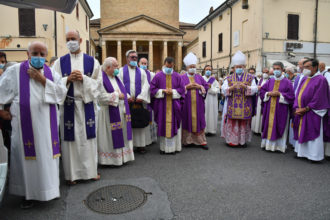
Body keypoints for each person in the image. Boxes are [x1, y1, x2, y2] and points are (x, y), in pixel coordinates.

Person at [0, 41, 67, 208]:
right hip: (24, 126)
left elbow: (61, 95)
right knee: (25, 159)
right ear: (27, 54)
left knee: (46, 156)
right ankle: (27, 195)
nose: (38, 57)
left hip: (46, 126)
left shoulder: (51, 73)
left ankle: (48, 190)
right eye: (35, 53)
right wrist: (1, 110)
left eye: (42, 54)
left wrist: (43, 80)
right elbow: (1, 90)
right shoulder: (14, 71)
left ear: (45, 56)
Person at [53, 30, 101, 185]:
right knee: (70, 142)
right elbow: (53, 83)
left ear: (80, 41)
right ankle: (71, 175)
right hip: (68, 105)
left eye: (73, 39)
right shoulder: (59, 62)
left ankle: (91, 172)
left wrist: (84, 79)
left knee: (88, 140)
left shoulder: (92, 61)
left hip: (86, 104)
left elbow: (98, 84)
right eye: (67, 39)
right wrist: (67, 79)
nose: (70, 42)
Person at [97, 57, 134, 165]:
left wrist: (127, 96)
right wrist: (118, 96)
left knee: (122, 134)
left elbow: (122, 91)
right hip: (109, 113)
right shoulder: (101, 79)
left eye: (118, 65)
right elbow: (100, 97)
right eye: (115, 66)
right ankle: (111, 159)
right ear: (108, 67)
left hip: (121, 112)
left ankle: (123, 157)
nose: (118, 68)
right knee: (109, 137)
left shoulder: (117, 78)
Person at [293, 59, 330, 162]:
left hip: (313, 111)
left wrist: (306, 108)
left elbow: (319, 97)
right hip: (301, 110)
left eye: (307, 67)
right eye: (304, 67)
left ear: (315, 67)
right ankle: (302, 153)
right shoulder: (305, 78)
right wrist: (297, 107)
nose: (304, 69)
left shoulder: (321, 80)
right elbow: (298, 94)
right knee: (302, 130)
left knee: (313, 132)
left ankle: (314, 156)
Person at [221, 51, 258, 147]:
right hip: (232, 105)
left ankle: (242, 141)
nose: (239, 68)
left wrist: (246, 87)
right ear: (234, 68)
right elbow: (223, 90)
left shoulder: (250, 78)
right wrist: (231, 88)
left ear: (244, 67)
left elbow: (255, 89)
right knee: (232, 122)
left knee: (243, 123)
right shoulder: (228, 78)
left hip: (245, 104)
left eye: (240, 67)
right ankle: (231, 140)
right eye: (237, 67)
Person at [150, 57, 185, 154]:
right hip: (162, 106)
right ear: (164, 64)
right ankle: (163, 148)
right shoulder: (158, 76)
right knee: (162, 124)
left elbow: (182, 90)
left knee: (173, 124)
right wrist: (163, 91)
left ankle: (174, 148)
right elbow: (152, 89)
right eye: (167, 65)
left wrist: (173, 92)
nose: (169, 67)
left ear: (173, 65)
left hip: (174, 106)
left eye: (171, 66)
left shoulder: (178, 76)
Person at [119, 50, 150, 154]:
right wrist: (127, 96)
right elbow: (120, 85)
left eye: (136, 57)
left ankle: (140, 145)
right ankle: (129, 146)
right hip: (127, 101)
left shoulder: (141, 71)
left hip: (138, 101)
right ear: (127, 58)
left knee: (139, 123)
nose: (134, 59)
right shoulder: (121, 71)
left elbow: (146, 85)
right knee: (128, 123)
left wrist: (141, 96)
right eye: (132, 57)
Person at [260, 62, 295, 152]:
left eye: (278, 69)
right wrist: (268, 93)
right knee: (269, 125)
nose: (276, 71)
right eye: (274, 69)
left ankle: (279, 147)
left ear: (282, 70)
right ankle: (268, 145)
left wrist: (280, 94)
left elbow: (291, 96)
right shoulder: (270, 81)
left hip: (281, 109)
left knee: (280, 125)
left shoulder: (287, 82)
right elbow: (262, 91)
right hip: (269, 108)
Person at [181, 52, 209, 150]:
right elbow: (179, 89)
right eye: (190, 66)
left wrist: (199, 86)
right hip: (187, 104)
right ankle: (187, 141)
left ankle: (200, 141)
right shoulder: (182, 77)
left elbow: (206, 87)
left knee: (199, 120)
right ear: (187, 68)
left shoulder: (199, 77)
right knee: (187, 119)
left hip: (198, 104)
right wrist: (186, 87)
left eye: (194, 66)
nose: (192, 68)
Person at [139, 57, 157, 144]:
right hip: (139, 100)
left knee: (150, 119)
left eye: (145, 63)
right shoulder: (137, 73)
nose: (143, 65)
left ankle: (150, 139)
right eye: (142, 63)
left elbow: (153, 86)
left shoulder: (151, 74)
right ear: (139, 63)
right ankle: (141, 141)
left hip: (149, 100)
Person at [251, 67, 270, 134]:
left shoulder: (270, 80)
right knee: (258, 112)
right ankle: (256, 129)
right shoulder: (260, 80)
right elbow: (256, 88)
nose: (265, 74)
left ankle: (262, 130)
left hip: (266, 99)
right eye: (264, 72)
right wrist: (258, 88)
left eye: (266, 72)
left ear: (269, 73)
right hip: (259, 98)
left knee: (263, 114)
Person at [202, 65, 220, 135]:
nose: (208, 71)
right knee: (204, 114)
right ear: (204, 70)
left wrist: (210, 87)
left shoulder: (214, 80)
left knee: (212, 114)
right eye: (207, 69)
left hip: (212, 100)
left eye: (209, 69)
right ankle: (203, 129)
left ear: (211, 71)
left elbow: (218, 89)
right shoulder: (201, 78)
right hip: (203, 100)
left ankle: (211, 130)